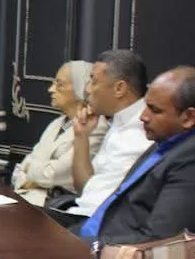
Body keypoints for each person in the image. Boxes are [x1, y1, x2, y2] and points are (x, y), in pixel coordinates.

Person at [77, 66, 195, 245]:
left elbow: (160, 241)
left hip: (111, 251)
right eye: (146, 106)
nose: (143, 116)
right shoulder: (171, 139)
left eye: (154, 110)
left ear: (188, 117)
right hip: (93, 232)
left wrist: (87, 247)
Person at [48, 50, 152, 224]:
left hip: (99, 224)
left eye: (93, 81)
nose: (87, 89)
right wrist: (81, 136)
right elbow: (85, 190)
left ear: (119, 88)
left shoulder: (144, 130)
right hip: (79, 214)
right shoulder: (117, 122)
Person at [11, 60, 104, 207]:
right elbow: (21, 168)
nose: (51, 89)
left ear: (81, 88)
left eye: (59, 84)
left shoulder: (95, 127)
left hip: (54, 207)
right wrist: (35, 175)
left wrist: (31, 172)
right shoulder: (56, 124)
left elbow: (57, 174)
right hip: (26, 199)